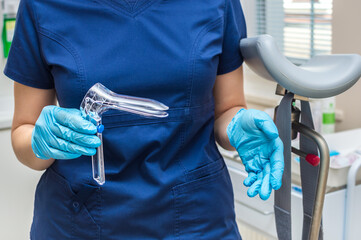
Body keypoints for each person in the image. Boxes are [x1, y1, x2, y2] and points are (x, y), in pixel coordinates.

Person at [5, 0, 284, 239]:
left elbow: (229, 108)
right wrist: (42, 141)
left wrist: (238, 126)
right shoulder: (42, 5)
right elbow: (23, 132)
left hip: (197, 219)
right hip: (80, 219)